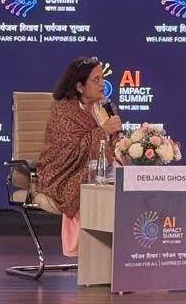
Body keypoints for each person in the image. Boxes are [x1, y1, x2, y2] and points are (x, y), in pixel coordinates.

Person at [35, 56, 122, 257]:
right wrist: (103, 131)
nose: (103, 84)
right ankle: (95, 253)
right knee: (100, 186)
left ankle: (120, 252)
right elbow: (69, 152)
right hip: (65, 173)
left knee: (127, 181)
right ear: (80, 87)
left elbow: (115, 143)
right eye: (96, 80)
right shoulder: (64, 112)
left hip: (103, 168)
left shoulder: (105, 108)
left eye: (102, 79)